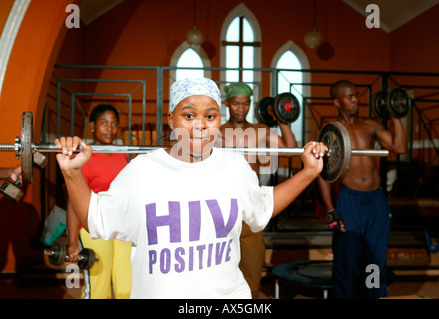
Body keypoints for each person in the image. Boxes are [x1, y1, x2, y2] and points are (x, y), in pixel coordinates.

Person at [54, 77, 327, 299]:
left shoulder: (235, 166)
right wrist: (72, 173)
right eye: (188, 115)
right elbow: (95, 219)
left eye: (210, 116)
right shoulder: (141, 171)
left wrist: (308, 173)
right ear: (171, 120)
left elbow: (263, 206)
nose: (200, 125)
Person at [317, 80, 407, 299]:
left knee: (375, 259)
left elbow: (400, 147)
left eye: (356, 95)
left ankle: (372, 296)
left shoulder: (371, 125)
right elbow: (323, 174)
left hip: (376, 201)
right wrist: (330, 210)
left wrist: (394, 113)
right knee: (346, 261)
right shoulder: (332, 132)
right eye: (350, 97)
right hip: (349, 201)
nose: (356, 100)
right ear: (337, 102)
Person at [219, 82, 297, 298]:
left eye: (245, 104)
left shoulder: (260, 130)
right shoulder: (217, 131)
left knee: (252, 271)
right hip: (222, 209)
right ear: (227, 104)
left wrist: (283, 120)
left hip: (251, 207)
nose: (241, 109)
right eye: (236, 104)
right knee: (221, 273)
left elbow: (290, 151)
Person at [66, 104, 132, 299]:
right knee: (98, 287)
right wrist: (72, 242)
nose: (109, 128)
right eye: (104, 123)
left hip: (121, 226)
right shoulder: (84, 157)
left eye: (114, 124)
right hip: (92, 228)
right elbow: (72, 202)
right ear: (92, 125)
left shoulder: (122, 155)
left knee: (125, 287)